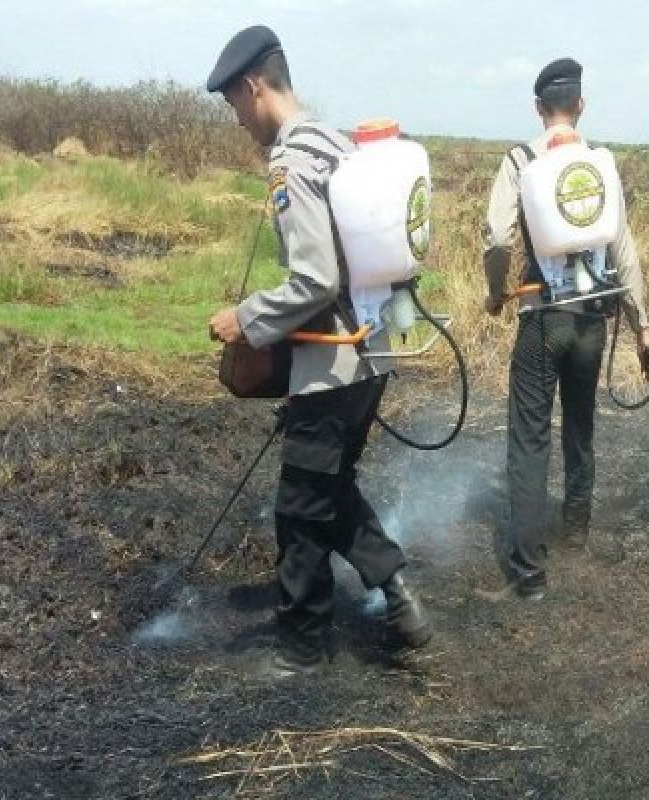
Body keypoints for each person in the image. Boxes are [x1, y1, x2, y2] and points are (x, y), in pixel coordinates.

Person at [205, 25, 431, 677]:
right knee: (328, 487)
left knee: (301, 508)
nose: (240, 121)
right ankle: (397, 596)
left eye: (234, 105)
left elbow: (314, 280)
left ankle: (300, 651)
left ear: (254, 88)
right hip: (374, 352)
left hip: (331, 363)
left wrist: (243, 319)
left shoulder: (292, 161)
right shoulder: (334, 144)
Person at [481, 57, 649, 600]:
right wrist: (643, 328)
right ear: (580, 105)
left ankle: (530, 575)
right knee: (580, 428)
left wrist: (494, 293)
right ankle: (575, 533)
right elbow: (623, 250)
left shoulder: (521, 160)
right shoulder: (600, 164)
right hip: (593, 321)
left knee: (529, 441)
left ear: (539, 109)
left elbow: (497, 236)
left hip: (543, 318)